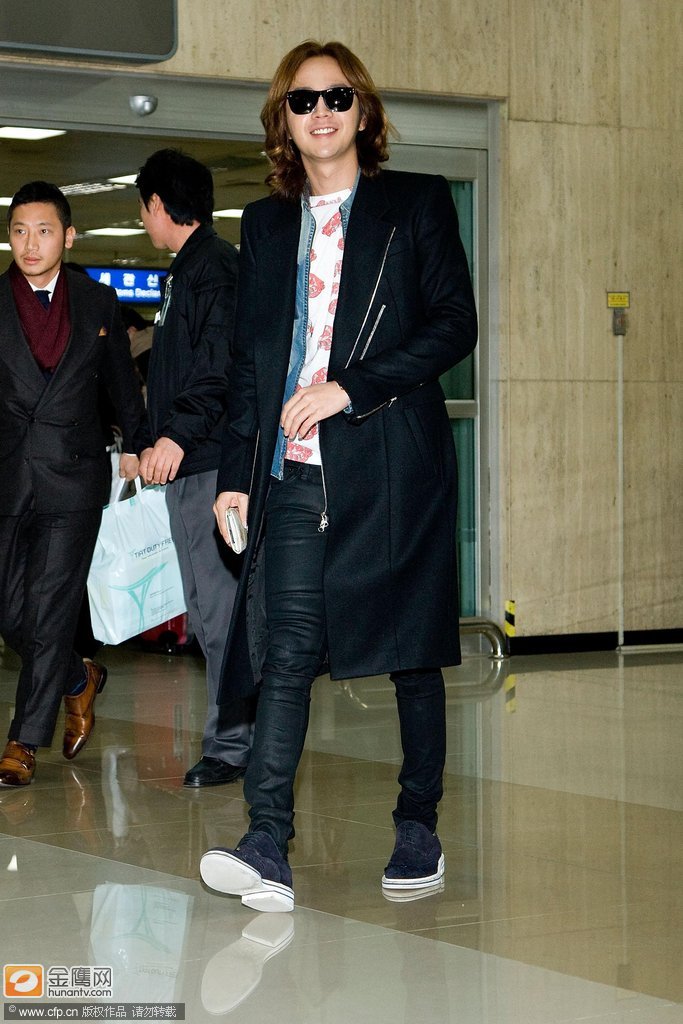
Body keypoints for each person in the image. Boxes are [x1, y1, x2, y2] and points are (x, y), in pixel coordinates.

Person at [199, 40, 478, 912]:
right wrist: (236, 474)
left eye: (336, 96)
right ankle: (266, 842)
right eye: (302, 99)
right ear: (282, 119)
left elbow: (452, 324)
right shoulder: (266, 223)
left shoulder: (414, 203)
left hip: (392, 464)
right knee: (283, 653)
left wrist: (348, 387)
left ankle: (417, 824)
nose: (320, 112)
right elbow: (249, 363)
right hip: (292, 473)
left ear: (362, 111)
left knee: (411, 653)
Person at [0, 181, 144, 787]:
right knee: (11, 610)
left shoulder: (96, 301)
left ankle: (22, 740)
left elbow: (120, 382)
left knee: (48, 607)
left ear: (68, 237)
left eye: (43, 231)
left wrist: (135, 443)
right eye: (19, 232)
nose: (30, 244)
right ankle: (79, 677)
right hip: (8, 475)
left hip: (73, 475)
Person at [134, 149, 255, 788]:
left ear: (158, 204)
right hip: (190, 466)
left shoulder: (212, 269)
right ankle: (235, 739)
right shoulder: (189, 270)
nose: (144, 219)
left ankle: (233, 746)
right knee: (209, 614)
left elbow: (218, 366)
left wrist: (177, 434)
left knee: (218, 613)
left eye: (144, 207)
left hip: (208, 467)